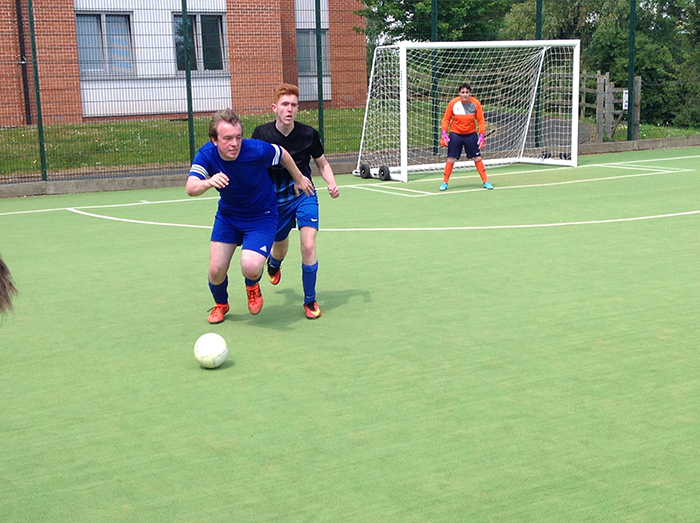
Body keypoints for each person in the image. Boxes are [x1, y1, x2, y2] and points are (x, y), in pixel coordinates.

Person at [186, 108, 315, 324]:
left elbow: (282, 153)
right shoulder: (207, 154)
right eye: (227, 138)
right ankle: (221, 304)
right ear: (214, 140)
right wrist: (208, 182)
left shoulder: (255, 149)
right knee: (216, 270)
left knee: (251, 267)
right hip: (228, 217)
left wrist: (299, 177)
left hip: (261, 217)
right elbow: (191, 187)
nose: (234, 143)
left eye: (237, 137)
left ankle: (252, 285)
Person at [252, 84, 340, 319]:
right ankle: (274, 263)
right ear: (275, 108)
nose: (289, 109)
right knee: (279, 247)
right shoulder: (261, 134)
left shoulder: (309, 134)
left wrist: (331, 183)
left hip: (305, 194)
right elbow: (254, 166)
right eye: (285, 105)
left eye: (293, 105)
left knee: (308, 245)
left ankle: (310, 300)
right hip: (274, 200)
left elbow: (322, 163)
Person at [439, 83, 493, 191]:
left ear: (470, 93)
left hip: (471, 135)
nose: (465, 95)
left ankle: (485, 181)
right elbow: (446, 119)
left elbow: (481, 120)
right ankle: (444, 183)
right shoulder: (453, 103)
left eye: (467, 92)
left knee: (477, 158)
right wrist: (444, 133)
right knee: (451, 158)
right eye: (462, 92)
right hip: (455, 135)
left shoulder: (475, 103)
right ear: (459, 93)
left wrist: (481, 134)